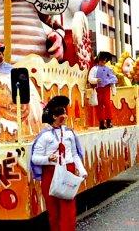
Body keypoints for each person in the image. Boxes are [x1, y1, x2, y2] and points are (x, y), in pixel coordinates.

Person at [31, 96, 87, 231]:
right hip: (50, 174)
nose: (65, 116)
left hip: (68, 170)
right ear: (54, 117)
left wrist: (82, 169)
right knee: (53, 209)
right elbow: (35, 158)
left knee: (68, 209)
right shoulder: (44, 136)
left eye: (64, 112)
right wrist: (48, 159)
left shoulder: (69, 134)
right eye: (61, 113)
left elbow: (74, 154)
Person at [88, 51, 118, 129]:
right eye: (102, 60)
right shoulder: (94, 69)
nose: (104, 62)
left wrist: (113, 89)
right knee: (99, 106)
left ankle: (109, 121)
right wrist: (96, 80)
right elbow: (90, 78)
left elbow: (113, 79)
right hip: (98, 89)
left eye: (105, 60)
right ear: (99, 60)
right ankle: (101, 123)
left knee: (108, 105)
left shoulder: (108, 69)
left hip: (106, 89)